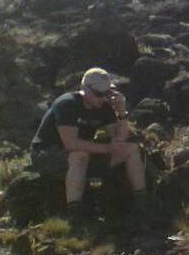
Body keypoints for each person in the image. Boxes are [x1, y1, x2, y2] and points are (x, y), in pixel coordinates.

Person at [29, 68, 151, 229]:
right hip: (47, 154)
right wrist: (107, 148)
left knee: (131, 149)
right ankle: (75, 215)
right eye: (99, 93)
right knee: (79, 155)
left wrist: (121, 112)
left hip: (81, 155)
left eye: (107, 93)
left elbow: (119, 140)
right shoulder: (67, 104)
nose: (103, 98)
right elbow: (70, 143)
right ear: (85, 89)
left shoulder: (103, 107)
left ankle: (143, 204)